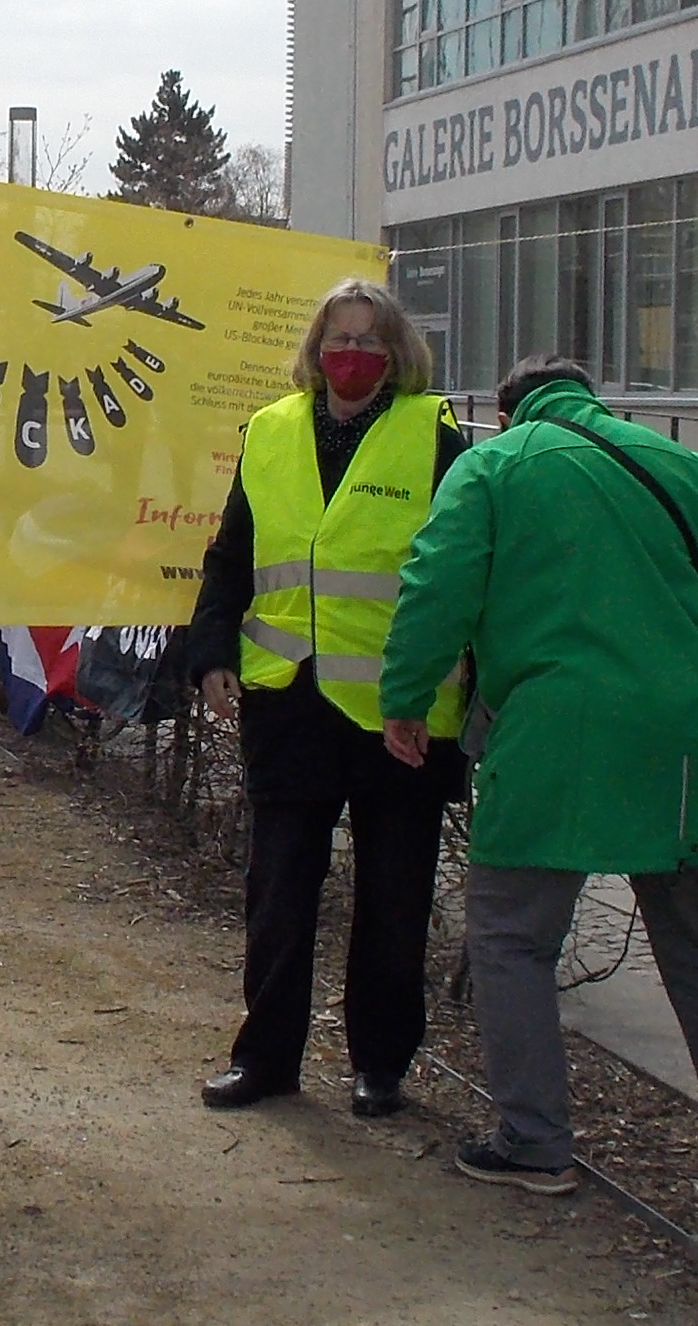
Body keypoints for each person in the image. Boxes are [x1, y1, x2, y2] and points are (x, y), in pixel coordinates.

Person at [378, 354, 698, 1198]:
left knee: (512, 935)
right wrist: (673, 659)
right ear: (593, 397)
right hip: (692, 730)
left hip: (559, 728)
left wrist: (407, 698)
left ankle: (535, 1141)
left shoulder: (495, 465)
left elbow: (435, 585)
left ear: (507, 408)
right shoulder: (682, 465)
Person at [182, 278, 471, 1119]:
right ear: (316, 348)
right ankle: (266, 1058)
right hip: (289, 701)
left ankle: (381, 1066)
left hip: (399, 715)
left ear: (397, 354)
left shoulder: (435, 439)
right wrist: (211, 653)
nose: (353, 355)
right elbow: (231, 557)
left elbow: (454, 576)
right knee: (278, 895)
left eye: (370, 341)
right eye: (340, 338)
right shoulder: (269, 432)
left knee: (394, 900)